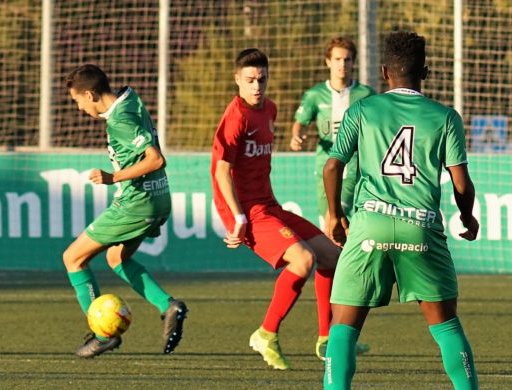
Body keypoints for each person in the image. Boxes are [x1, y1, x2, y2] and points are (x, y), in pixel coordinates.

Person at [322, 32, 479, 389]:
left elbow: (332, 168)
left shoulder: (362, 109)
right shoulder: (445, 117)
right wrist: (467, 217)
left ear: (383, 72)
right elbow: (461, 183)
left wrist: (334, 214)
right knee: (446, 325)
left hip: (369, 225)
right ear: (425, 70)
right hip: (420, 226)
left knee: (343, 326)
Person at [211, 48, 367, 370]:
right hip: (246, 212)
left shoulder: (270, 109)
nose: (257, 86)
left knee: (334, 257)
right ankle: (266, 333)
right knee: (303, 259)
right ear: (237, 80)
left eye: (262, 79)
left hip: (269, 205)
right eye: (250, 80)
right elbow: (221, 171)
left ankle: (326, 340)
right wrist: (237, 217)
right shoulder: (236, 116)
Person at [63, 64, 188, 358]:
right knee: (116, 257)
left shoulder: (119, 120)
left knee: (73, 258)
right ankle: (168, 305)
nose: (80, 109)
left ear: (91, 94)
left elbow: (156, 160)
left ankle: (101, 335)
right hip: (159, 199)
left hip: (136, 203)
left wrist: (112, 178)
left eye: (78, 101)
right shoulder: (130, 99)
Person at [290, 37, 375, 228]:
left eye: (347, 59)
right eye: (337, 59)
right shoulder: (315, 94)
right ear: (328, 61)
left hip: (353, 166)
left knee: (334, 218)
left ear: (353, 62)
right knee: (327, 225)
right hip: (324, 166)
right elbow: (300, 123)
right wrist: (297, 136)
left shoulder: (366, 94)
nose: (342, 64)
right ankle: (337, 257)